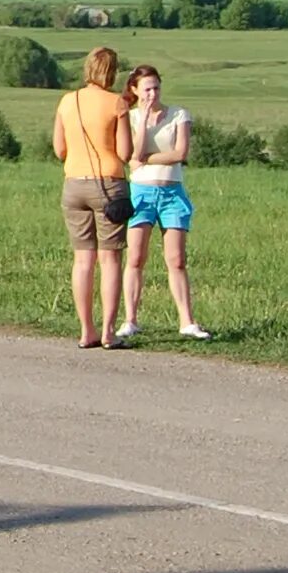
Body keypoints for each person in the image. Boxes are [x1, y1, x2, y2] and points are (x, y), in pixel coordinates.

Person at [50, 46, 133, 348]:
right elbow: (124, 152)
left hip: (73, 184)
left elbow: (60, 149)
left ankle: (87, 331)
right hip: (109, 184)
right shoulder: (117, 103)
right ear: (111, 72)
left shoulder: (67, 101)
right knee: (110, 259)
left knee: (83, 260)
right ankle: (110, 332)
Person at [122, 64, 208, 341]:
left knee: (177, 259)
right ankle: (130, 319)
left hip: (171, 190)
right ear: (134, 91)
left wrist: (146, 158)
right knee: (135, 257)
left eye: (156, 87)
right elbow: (131, 153)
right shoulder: (132, 117)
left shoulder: (178, 115)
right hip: (141, 191)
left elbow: (180, 153)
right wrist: (144, 120)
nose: (153, 93)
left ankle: (187, 320)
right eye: (146, 89)